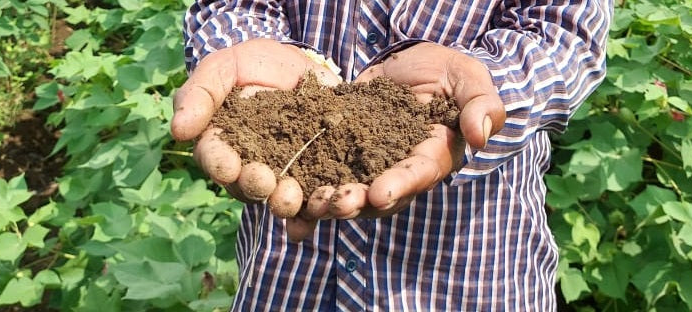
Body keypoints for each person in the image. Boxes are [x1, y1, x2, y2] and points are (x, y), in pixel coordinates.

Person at [170, 1, 610, 310]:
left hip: (468, 268)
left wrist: (480, 87)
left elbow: (563, 32)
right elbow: (232, 6)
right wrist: (242, 47)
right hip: (286, 272)